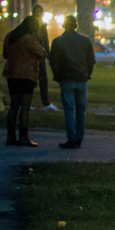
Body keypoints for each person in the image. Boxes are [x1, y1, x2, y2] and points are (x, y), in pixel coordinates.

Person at [48, 15, 96, 149]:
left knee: (69, 111)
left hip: (66, 79)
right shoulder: (85, 41)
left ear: (64, 25)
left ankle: (72, 139)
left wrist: (57, 76)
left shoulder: (58, 41)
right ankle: (79, 139)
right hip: (82, 80)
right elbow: (91, 61)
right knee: (81, 111)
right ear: (76, 26)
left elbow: (53, 62)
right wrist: (87, 74)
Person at [3, 15, 48, 147]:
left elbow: (5, 55)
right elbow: (43, 53)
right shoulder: (29, 39)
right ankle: (23, 137)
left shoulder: (10, 36)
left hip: (12, 75)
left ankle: (10, 137)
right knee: (25, 107)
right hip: (26, 76)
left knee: (14, 106)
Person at [32, 4, 58, 111]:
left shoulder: (42, 26)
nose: (38, 14)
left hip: (41, 56)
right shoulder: (31, 25)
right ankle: (28, 102)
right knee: (31, 80)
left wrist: (48, 54)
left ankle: (46, 102)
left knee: (43, 80)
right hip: (32, 56)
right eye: (36, 12)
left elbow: (46, 41)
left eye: (40, 12)